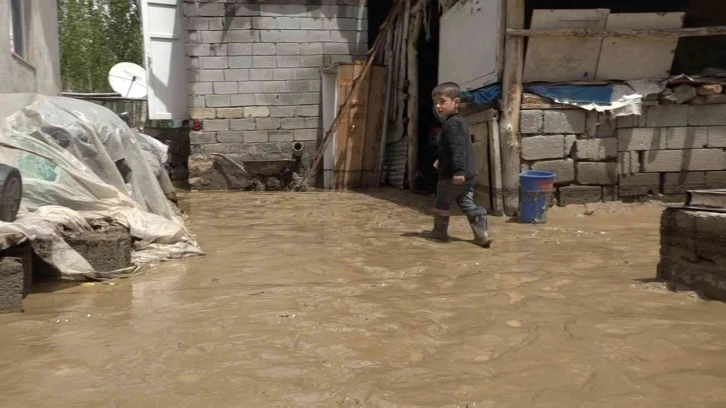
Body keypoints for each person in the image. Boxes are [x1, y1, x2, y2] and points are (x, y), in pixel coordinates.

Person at [423, 82, 492, 247]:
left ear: (456, 102)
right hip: (469, 174)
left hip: (453, 175)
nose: (438, 106)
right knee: (466, 202)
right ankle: (482, 234)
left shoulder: (451, 123)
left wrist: (458, 171)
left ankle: (440, 232)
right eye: (435, 103)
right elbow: (454, 148)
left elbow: (457, 149)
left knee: (442, 201)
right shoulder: (459, 121)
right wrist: (442, 160)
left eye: (442, 101)